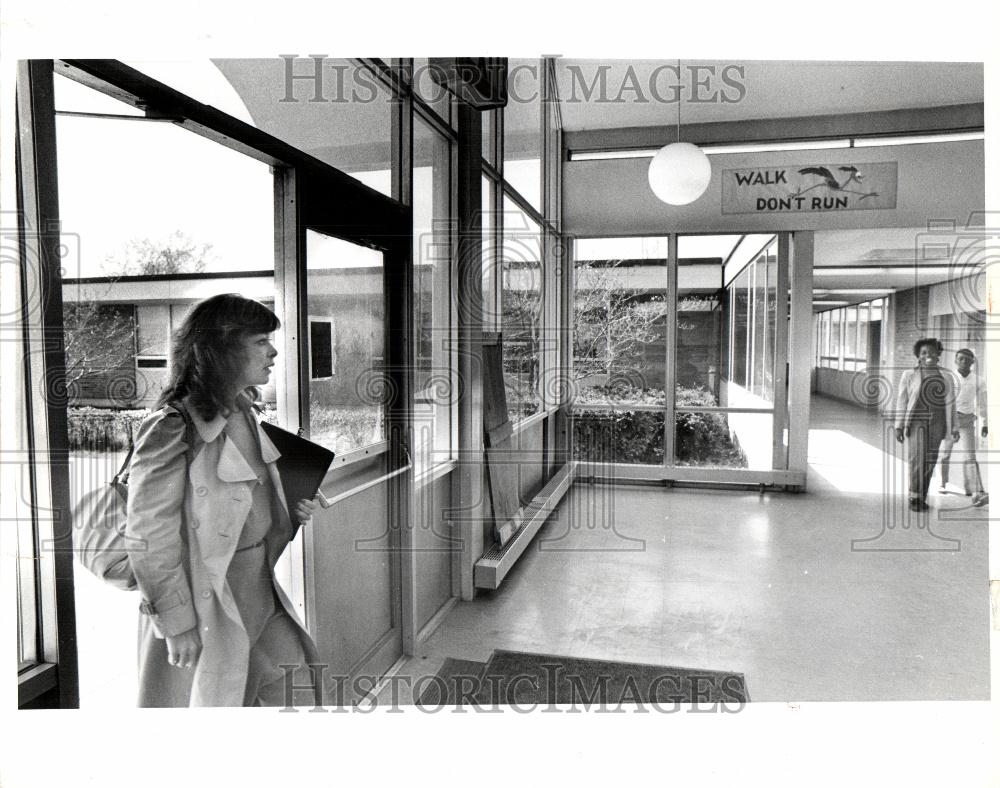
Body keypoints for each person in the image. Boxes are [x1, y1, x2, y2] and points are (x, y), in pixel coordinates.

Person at [125, 294, 321, 707]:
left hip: (259, 588)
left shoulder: (245, 412)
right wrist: (177, 624)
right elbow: (149, 535)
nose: (272, 352)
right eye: (259, 341)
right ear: (222, 349)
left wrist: (291, 503)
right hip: (204, 600)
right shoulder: (171, 426)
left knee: (296, 688)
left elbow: (246, 496)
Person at [894, 338, 959, 512]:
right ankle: (913, 497)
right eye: (923, 352)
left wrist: (954, 427)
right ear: (918, 356)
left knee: (930, 461)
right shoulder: (909, 375)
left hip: (938, 423)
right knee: (917, 459)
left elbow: (951, 405)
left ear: (938, 354)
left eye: (932, 352)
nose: (928, 355)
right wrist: (898, 426)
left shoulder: (947, 376)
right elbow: (902, 401)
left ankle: (921, 497)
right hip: (916, 422)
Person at [938, 348, 988, 506]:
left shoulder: (979, 380)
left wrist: (986, 423)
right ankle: (943, 482)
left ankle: (973, 490)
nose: (964, 362)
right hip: (950, 420)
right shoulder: (949, 378)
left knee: (970, 456)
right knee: (945, 453)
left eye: (968, 359)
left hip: (967, 420)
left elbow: (982, 404)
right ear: (955, 360)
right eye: (961, 359)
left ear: (973, 362)